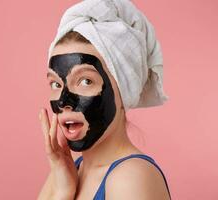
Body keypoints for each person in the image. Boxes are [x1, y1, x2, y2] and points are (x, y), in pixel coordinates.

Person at [38, 0, 171, 199]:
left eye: (85, 80)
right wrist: (61, 191)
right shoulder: (63, 173)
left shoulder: (131, 178)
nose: (64, 101)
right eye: (56, 84)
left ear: (124, 89)